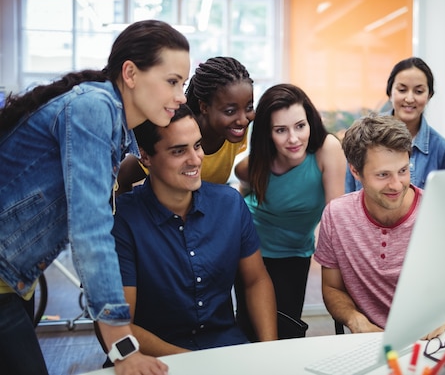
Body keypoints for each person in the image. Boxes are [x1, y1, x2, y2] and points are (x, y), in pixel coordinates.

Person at [0, 19, 190, 375]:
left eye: (184, 83)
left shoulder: (113, 122)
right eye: (172, 81)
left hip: (12, 283)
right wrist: (123, 346)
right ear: (130, 73)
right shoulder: (94, 107)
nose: (181, 96)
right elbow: (90, 230)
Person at [111, 105, 277, 360]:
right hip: (153, 360)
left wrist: (269, 351)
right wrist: (195, 364)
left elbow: (256, 280)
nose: (195, 159)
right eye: (179, 151)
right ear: (145, 156)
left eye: (197, 146)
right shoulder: (123, 220)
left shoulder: (230, 204)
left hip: (227, 350)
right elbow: (121, 325)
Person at [234, 83, 346, 337]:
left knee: (288, 327)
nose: (294, 139)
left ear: (310, 122)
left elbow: (334, 214)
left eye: (300, 126)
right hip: (251, 249)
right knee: (250, 328)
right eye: (281, 130)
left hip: (296, 250)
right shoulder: (251, 166)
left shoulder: (326, 149)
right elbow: (240, 197)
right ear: (267, 134)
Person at [315, 113, 423, 333]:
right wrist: (355, 319)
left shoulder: (437, 211)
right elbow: (332, 287)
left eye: (403, 171)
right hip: (375, 344)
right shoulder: (336, 216)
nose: (396, 185)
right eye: (383, 175)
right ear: (356, 172)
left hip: (436, 341)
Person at [116, 56, 255, 194]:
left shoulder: (234, 130)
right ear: (204, 107)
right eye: (230, 111)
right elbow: (122, 177)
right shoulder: (175, 132)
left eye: (249, 108)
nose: (243, 120)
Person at [345, 57, 445, 192]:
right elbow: (348, 194)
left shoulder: (441, 149)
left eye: (419, 91)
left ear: (429, 95)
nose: (409, 98)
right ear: (390, 92)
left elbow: (438, 203)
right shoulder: (362, 136)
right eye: (402, 90)